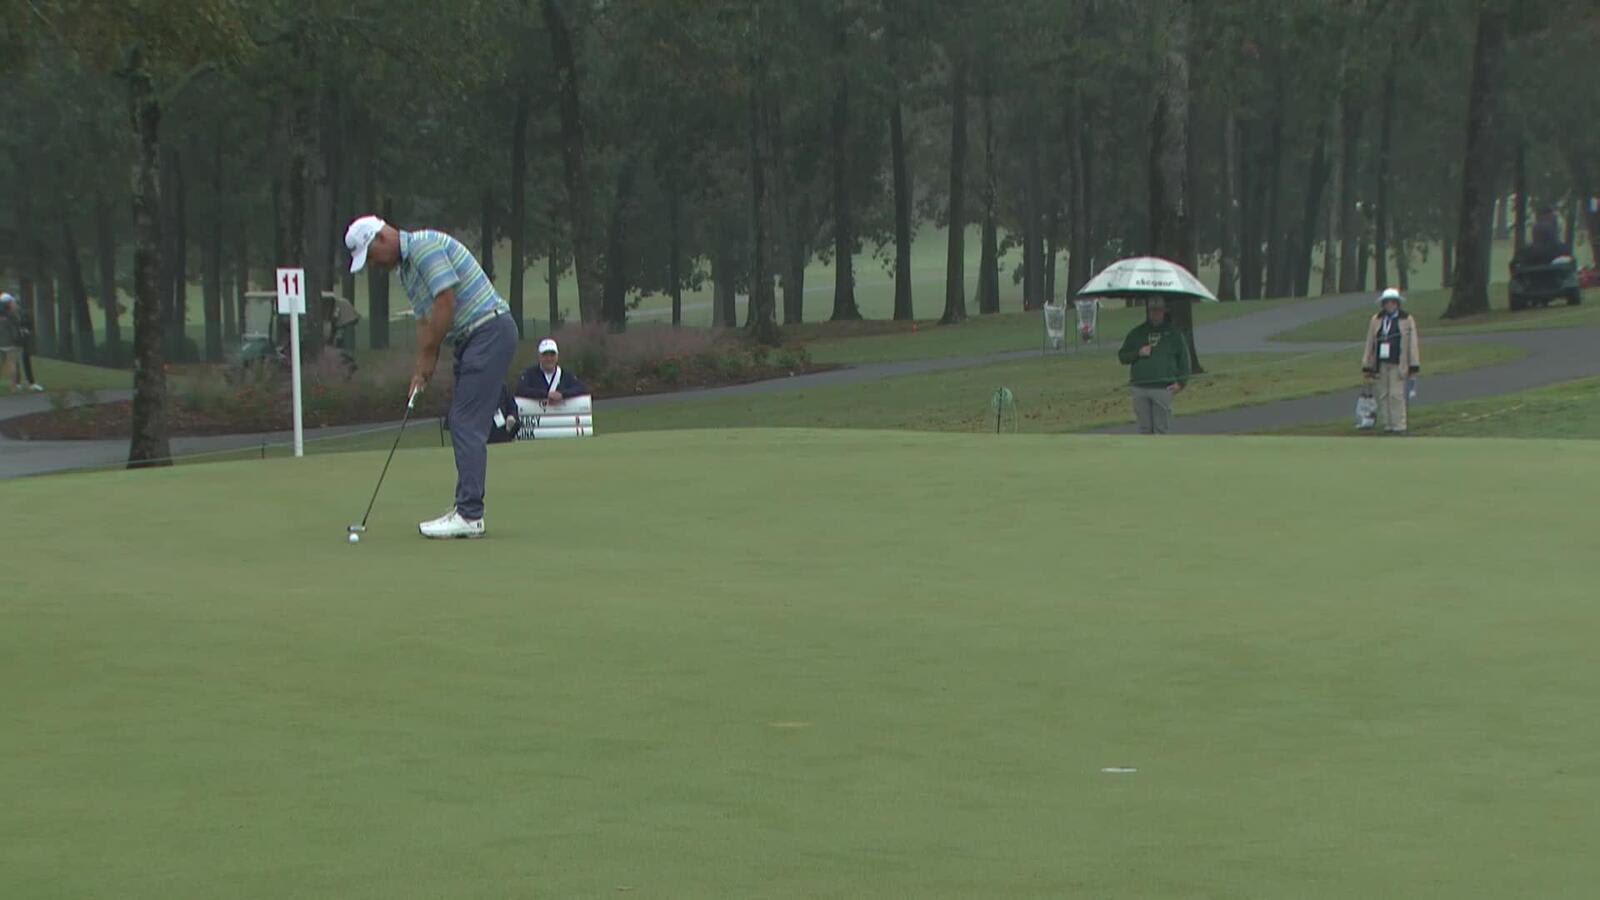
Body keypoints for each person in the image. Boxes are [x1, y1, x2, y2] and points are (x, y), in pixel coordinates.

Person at [345, 215, 517, 539]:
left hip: (488, 331)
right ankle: (467, 510)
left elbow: (445, 300)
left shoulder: (425, 247)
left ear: (381, 239)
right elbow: (426, 319)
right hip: (473, 339)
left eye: (370, 256)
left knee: (465, 421)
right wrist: (421, 366)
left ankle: (469, 515)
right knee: (465, 421)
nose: (373, 265)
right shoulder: (407, 271)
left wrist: (430, 353)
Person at [1116, 296, 1192, 434]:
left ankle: (1161, 455)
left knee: (1161, 429)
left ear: (1164, 311)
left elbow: (1184, 361)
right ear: (1148, 311)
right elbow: (1122, 356)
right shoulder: (1137, 333)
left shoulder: (1174, 334)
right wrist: (1138, 353)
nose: (1155, 313)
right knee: (1144, 429)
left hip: (1163, 387)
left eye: (1158, 310)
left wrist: (1181, 383)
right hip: (1140, 387)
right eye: (1152, 310)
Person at [1361, 288, 1421, 435]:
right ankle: (1387, 424)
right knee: (1383, 394)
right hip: (1380, 363)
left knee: (1396, 394)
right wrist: (1367, 365)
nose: (1389, 305)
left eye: (1392, 302)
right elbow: (1370, 342)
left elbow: (1412, 344)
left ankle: (1399, 425)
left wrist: (1413, 365)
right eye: (1387, 302)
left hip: (1398, 363)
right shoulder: (1376, 319)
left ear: (1397, 303)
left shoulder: (1406, 319)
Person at [514, 338, 588, 402]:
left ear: (557, 356)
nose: (549, 359)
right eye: (545, 355)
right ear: (539, 356)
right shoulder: (529, 374)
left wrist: (562, 394)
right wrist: (546, 395)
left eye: (552, 355)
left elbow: (581, 388)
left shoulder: (566, 375)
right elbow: (520, 390)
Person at [1, 293, 44, 392]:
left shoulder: (11, 313)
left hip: (7, 341)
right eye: (12, 302)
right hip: (13, 341)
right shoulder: (11, 315)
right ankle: (19, 384)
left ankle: (18, 383)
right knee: (15, 362)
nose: (14, 303)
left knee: (11, 362)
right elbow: (15, 327)